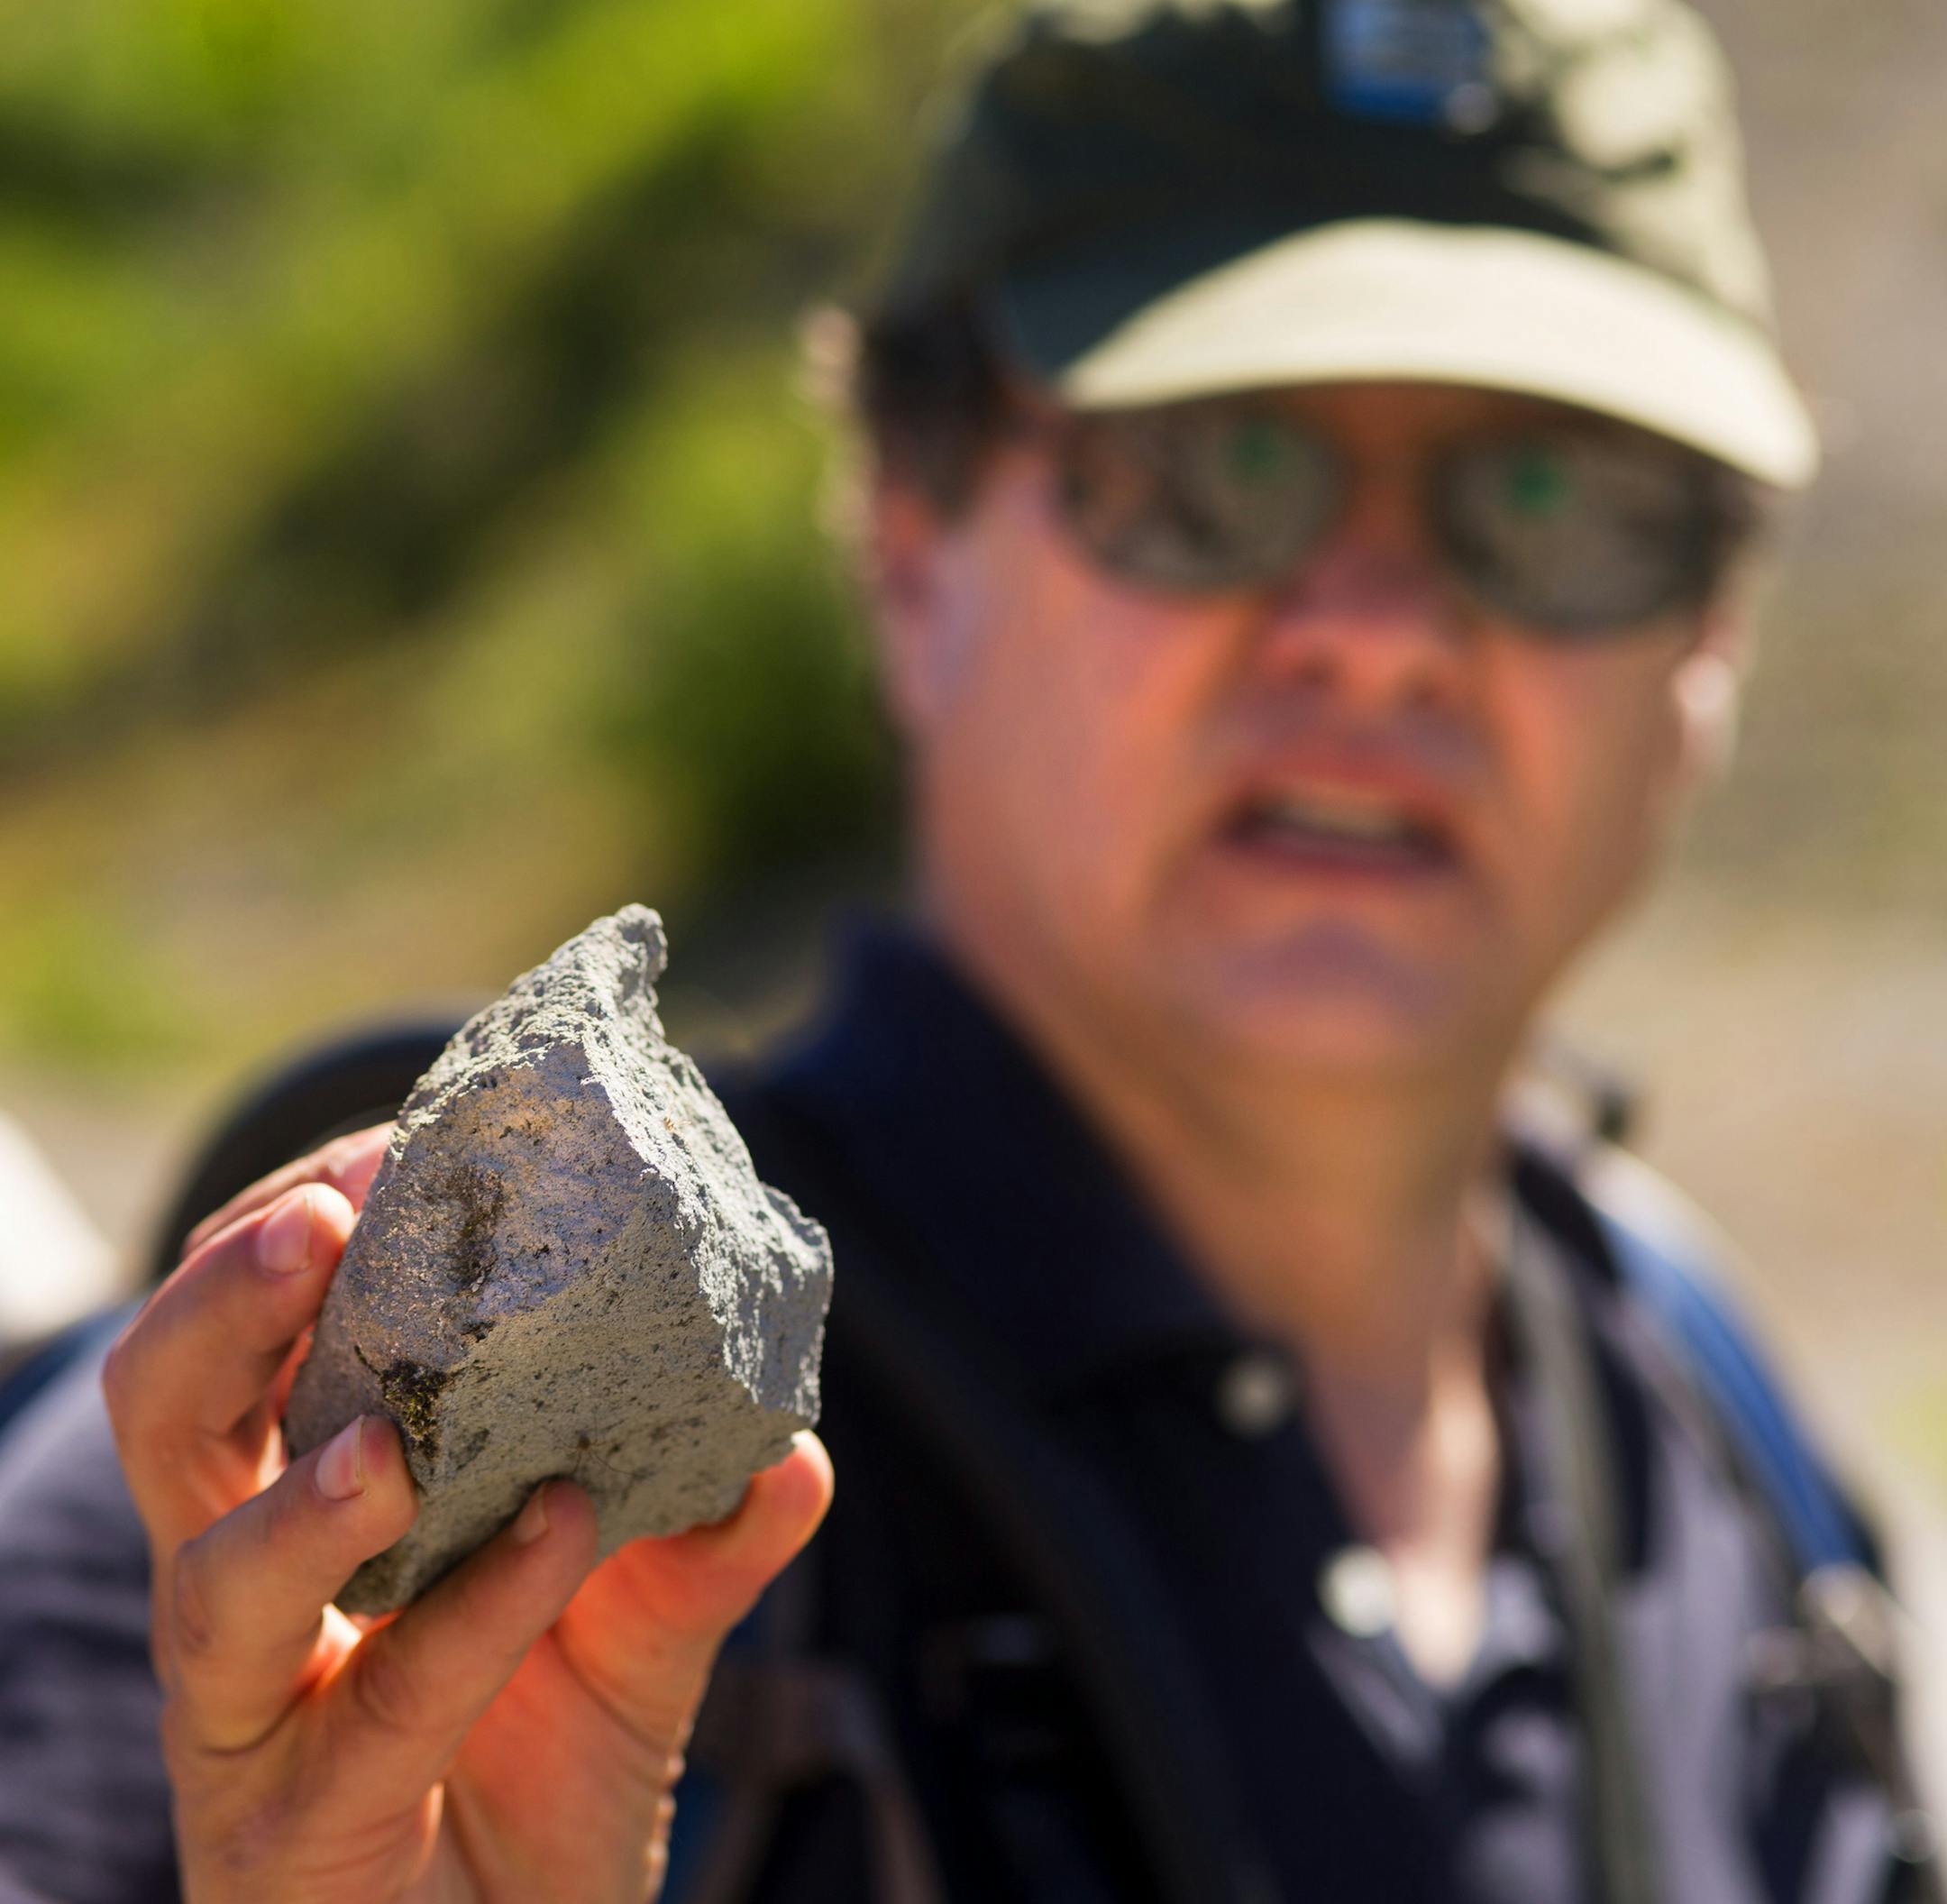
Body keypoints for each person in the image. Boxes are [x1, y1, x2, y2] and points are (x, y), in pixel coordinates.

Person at [0, 0, 1933, 1899]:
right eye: (1212, 471)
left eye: (1554, 500)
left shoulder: (1728, 1456)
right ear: (909, 545)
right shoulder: (317, 1547)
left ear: (1714, 638)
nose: (1378, 628)